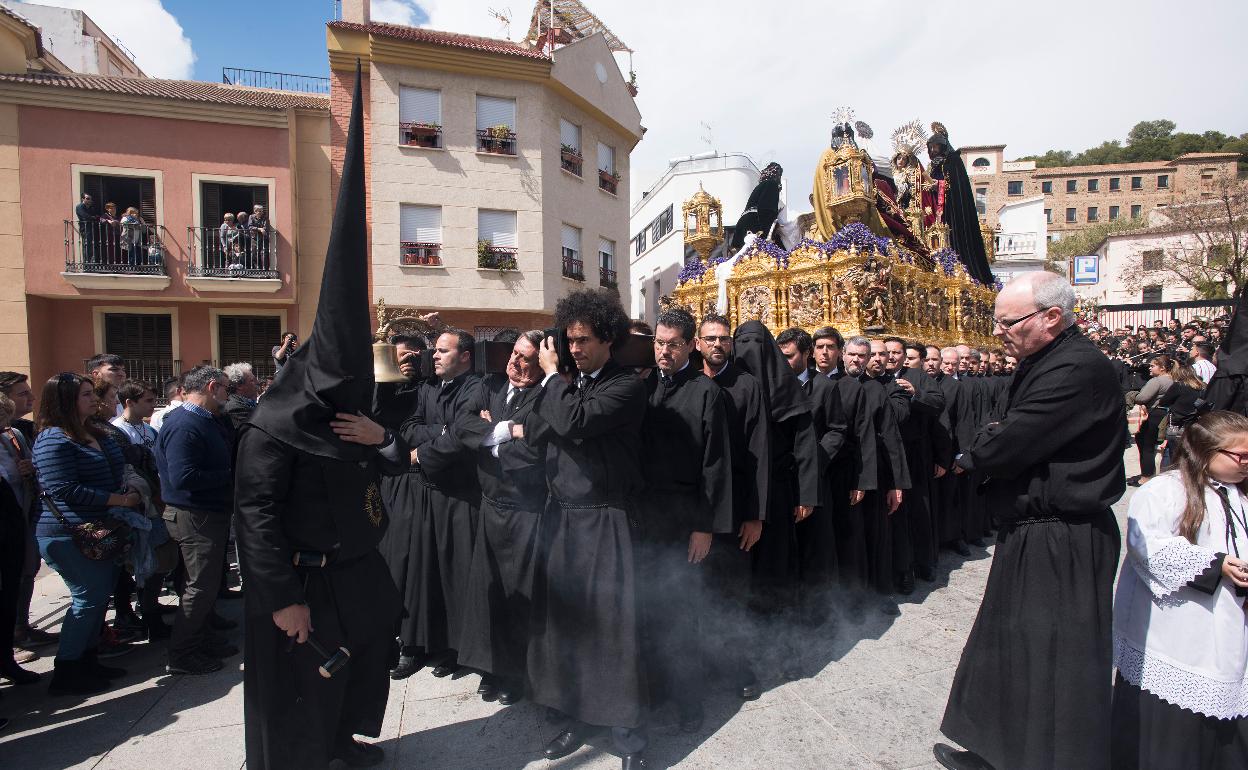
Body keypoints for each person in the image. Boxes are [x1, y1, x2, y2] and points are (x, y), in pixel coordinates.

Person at [235, 64, 408, 769]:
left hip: (357, 572)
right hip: (303, 582)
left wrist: (380, 438)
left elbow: (381, 469)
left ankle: (345, 748)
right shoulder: (273, 429)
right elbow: (257, 519)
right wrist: (281, 601)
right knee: (304, 692)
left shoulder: (349, 417)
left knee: (360, 670)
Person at [935, 272, 1125, 770]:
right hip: (1035, 528)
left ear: (1051, 317)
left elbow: (1007, 440)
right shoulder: (1047, 361)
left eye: (1008, 322)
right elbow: (1003, 430)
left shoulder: (1076, 369)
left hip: (1064, 535)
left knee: (1053, 658)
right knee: (1012, 645)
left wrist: (981, 448)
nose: (998, 332)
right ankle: (999, 752)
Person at [525, 288, 648, 769]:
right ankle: (574, 714)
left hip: (604, 520)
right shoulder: (566, 384)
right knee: (568, 626)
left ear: (609, 338)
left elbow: (574, 424)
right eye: (569, 340)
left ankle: (628, 732)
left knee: (612, 629)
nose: (573, 348)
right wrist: (553, 388)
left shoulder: (625, 386)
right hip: (561, 519)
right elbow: (538, 431)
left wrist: (555, 380)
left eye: (583, 340)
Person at [1111, 410, 1248, 769]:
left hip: (1230, 626)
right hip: (1178, 631)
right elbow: (1148, 546)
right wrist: (1215, 565)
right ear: (1206, 451)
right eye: (1241, 455)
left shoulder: (1238, 493)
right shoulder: (1165, 491)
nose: (1247, 462)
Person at [637, 308, 733, 732]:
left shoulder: (706, 393)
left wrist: (704, 526)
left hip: (686, 520)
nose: (663, 351)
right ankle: (656, 686)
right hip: (647, 519)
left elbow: (716, 466)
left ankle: (689, 699)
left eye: (673, 344)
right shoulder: (643, 390)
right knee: (650, 608)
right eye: (659, 342)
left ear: (690, 346)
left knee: (684, 612)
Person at [453, 330, 546, 706]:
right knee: (486, 594)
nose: (516, 363)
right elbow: (461, 424)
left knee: (517, 596)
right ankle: (489, 668)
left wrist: (487, 442)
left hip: (525, 512)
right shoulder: (489, 384)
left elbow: (535, 453)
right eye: (514, 354)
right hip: (490, 505)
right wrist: (505, 430)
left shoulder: (544, 397)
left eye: (527, 359)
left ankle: (516, 674)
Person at [33, 373, 139, 695]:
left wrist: (129, 487)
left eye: (93, 393)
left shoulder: (95, 431)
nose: (95, 399)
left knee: (98, 596)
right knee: (88, 599)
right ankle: (67, 669)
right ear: (64, 401)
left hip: (101, 528)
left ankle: (87, 659)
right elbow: (64, 487)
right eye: (85, 395)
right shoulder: (53, 438)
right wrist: (119, 499)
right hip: (69, 533)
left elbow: (118, 466)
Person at [395, 329, 486, 679]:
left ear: (464, 356)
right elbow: (408, 427)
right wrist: (441, 431)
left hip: (460, 496)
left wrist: (437, 437)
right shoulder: (427, 387)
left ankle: (455, 648)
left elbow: (465, 437)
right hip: (427, 493)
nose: (433, 356)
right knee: (422, 573)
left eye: (443, 351)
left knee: (454, 573)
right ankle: (416, 644)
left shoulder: (476, 388)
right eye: (434, 351)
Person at [696, 314, 769, 700]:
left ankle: (737, 665)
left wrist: (756, 514)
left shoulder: (747, 386)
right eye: (710, 339)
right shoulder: (690, 382)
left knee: (732, 592)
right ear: (697, 342)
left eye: (724, 339)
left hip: (736, 506)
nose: (717, 345)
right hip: (696, 509)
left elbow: (759, 450)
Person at [155, 365, 236, 675]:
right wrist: (232, 477)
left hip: (207, 513)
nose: (227, 395)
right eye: (226, 389)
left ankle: (202, 638)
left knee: (207, 583)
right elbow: (183, 477)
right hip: (194, 515)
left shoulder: (205, 421)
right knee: (199, 587)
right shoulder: (185, 424)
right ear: (213, 387)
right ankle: (182, 653)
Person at [0, 372, 54, 655]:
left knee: (25, 573)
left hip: (24, 514)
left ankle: (20, 627)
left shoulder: (18, 432)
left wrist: (31, 470)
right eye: (22, 393)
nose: (30, 398)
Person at [0, 393, 38, 685]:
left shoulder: (12, 437)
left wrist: (29, 471)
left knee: (14, 586)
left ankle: (7, 657)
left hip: (15, 519)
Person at [1133, 354, 1176, 486]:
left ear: (1162, 368)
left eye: (1153, 366)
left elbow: (1142, 398)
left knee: (1146, 446)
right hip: (1163, 414)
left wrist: (1135, 395)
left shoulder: (1157, 381)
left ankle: (1146, 476)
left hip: (1152, 414)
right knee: (1153, 446)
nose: (1150, 368)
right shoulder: (1173, 380)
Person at [1158, 364, 1206, 470]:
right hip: (1195, 423)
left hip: (1177, 423)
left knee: (1172, 453)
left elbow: (1164, 402)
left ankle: (1168, 477)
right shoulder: (1202, 386)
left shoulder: (1179, 385)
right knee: (1191, 452)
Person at [111, 380, 158, 450]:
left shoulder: (151, 430)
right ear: (129, 402)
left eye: (155, 400)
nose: (154, 405)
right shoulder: (117, 430)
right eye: (149, 401)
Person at [221, 363, 260, 431]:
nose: (257, 382)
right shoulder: (235, 408)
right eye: (252, 380)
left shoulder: (247, 402)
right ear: (239, 386)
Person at [75, 193, 96, 264]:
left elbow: (95, 216)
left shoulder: (91, 207)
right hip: (85, 228)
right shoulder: (79, 206)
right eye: (87, 198)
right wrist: (92, 218)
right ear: (83, 199)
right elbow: (84, 216)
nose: (89, 200)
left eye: (90, 198)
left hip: (92, 228)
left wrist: (93, 217)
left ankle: (91, 262)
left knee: (92, 246)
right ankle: (86, 264)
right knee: (87, 245)